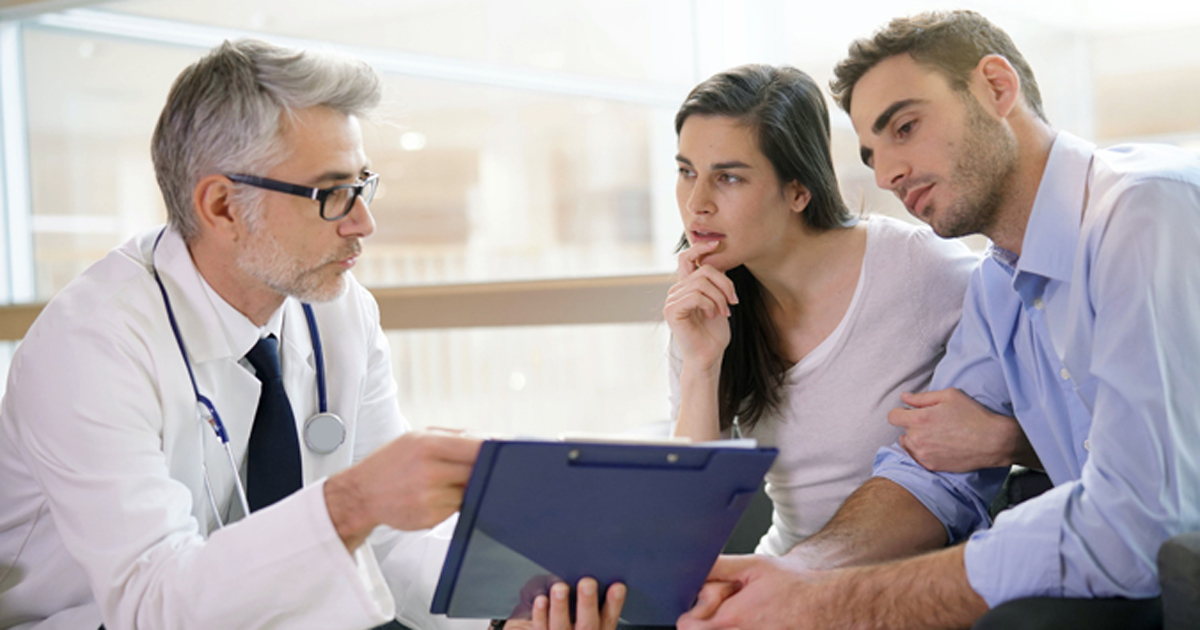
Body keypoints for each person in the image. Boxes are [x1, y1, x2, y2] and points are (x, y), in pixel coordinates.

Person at [0, 39, 622, 630]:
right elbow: (151, 603)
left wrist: (503, 612)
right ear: (221, 207)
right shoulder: (94, 343)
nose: (363, 222)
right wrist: (353, 500)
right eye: (331, 193)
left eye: (362, 185)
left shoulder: (337, 309)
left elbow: (388, 542)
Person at [675, 9, 1200, 630]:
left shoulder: (1145, 210)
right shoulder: (998, 286)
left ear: (996, 88)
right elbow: (929, 476)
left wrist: (823, 600)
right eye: (872, 152)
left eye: (906, 126)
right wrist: (795, 573)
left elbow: (1137, 522)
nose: (890, 173)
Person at [665, 64, 992, 555]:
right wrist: (700, 363)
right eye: (687, 171)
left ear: (798, 190)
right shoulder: (705, 305)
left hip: (903, 581)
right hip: (782, 574)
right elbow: (687, 519)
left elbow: (1045, 386)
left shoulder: (913, 266)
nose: (696, 204)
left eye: (728, 177)